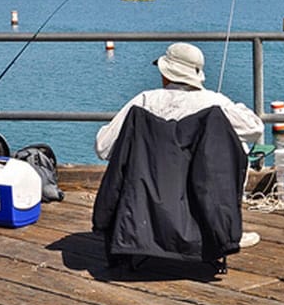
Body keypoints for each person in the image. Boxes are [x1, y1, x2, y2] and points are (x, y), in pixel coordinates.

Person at [94, 42, 264, 247]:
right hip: (199, 201)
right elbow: (255, 129)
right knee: (239, 148)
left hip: (145, 209)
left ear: (166, 74)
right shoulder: (214, 103)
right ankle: (226, 228)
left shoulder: (145, 101)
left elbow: (103, 147)